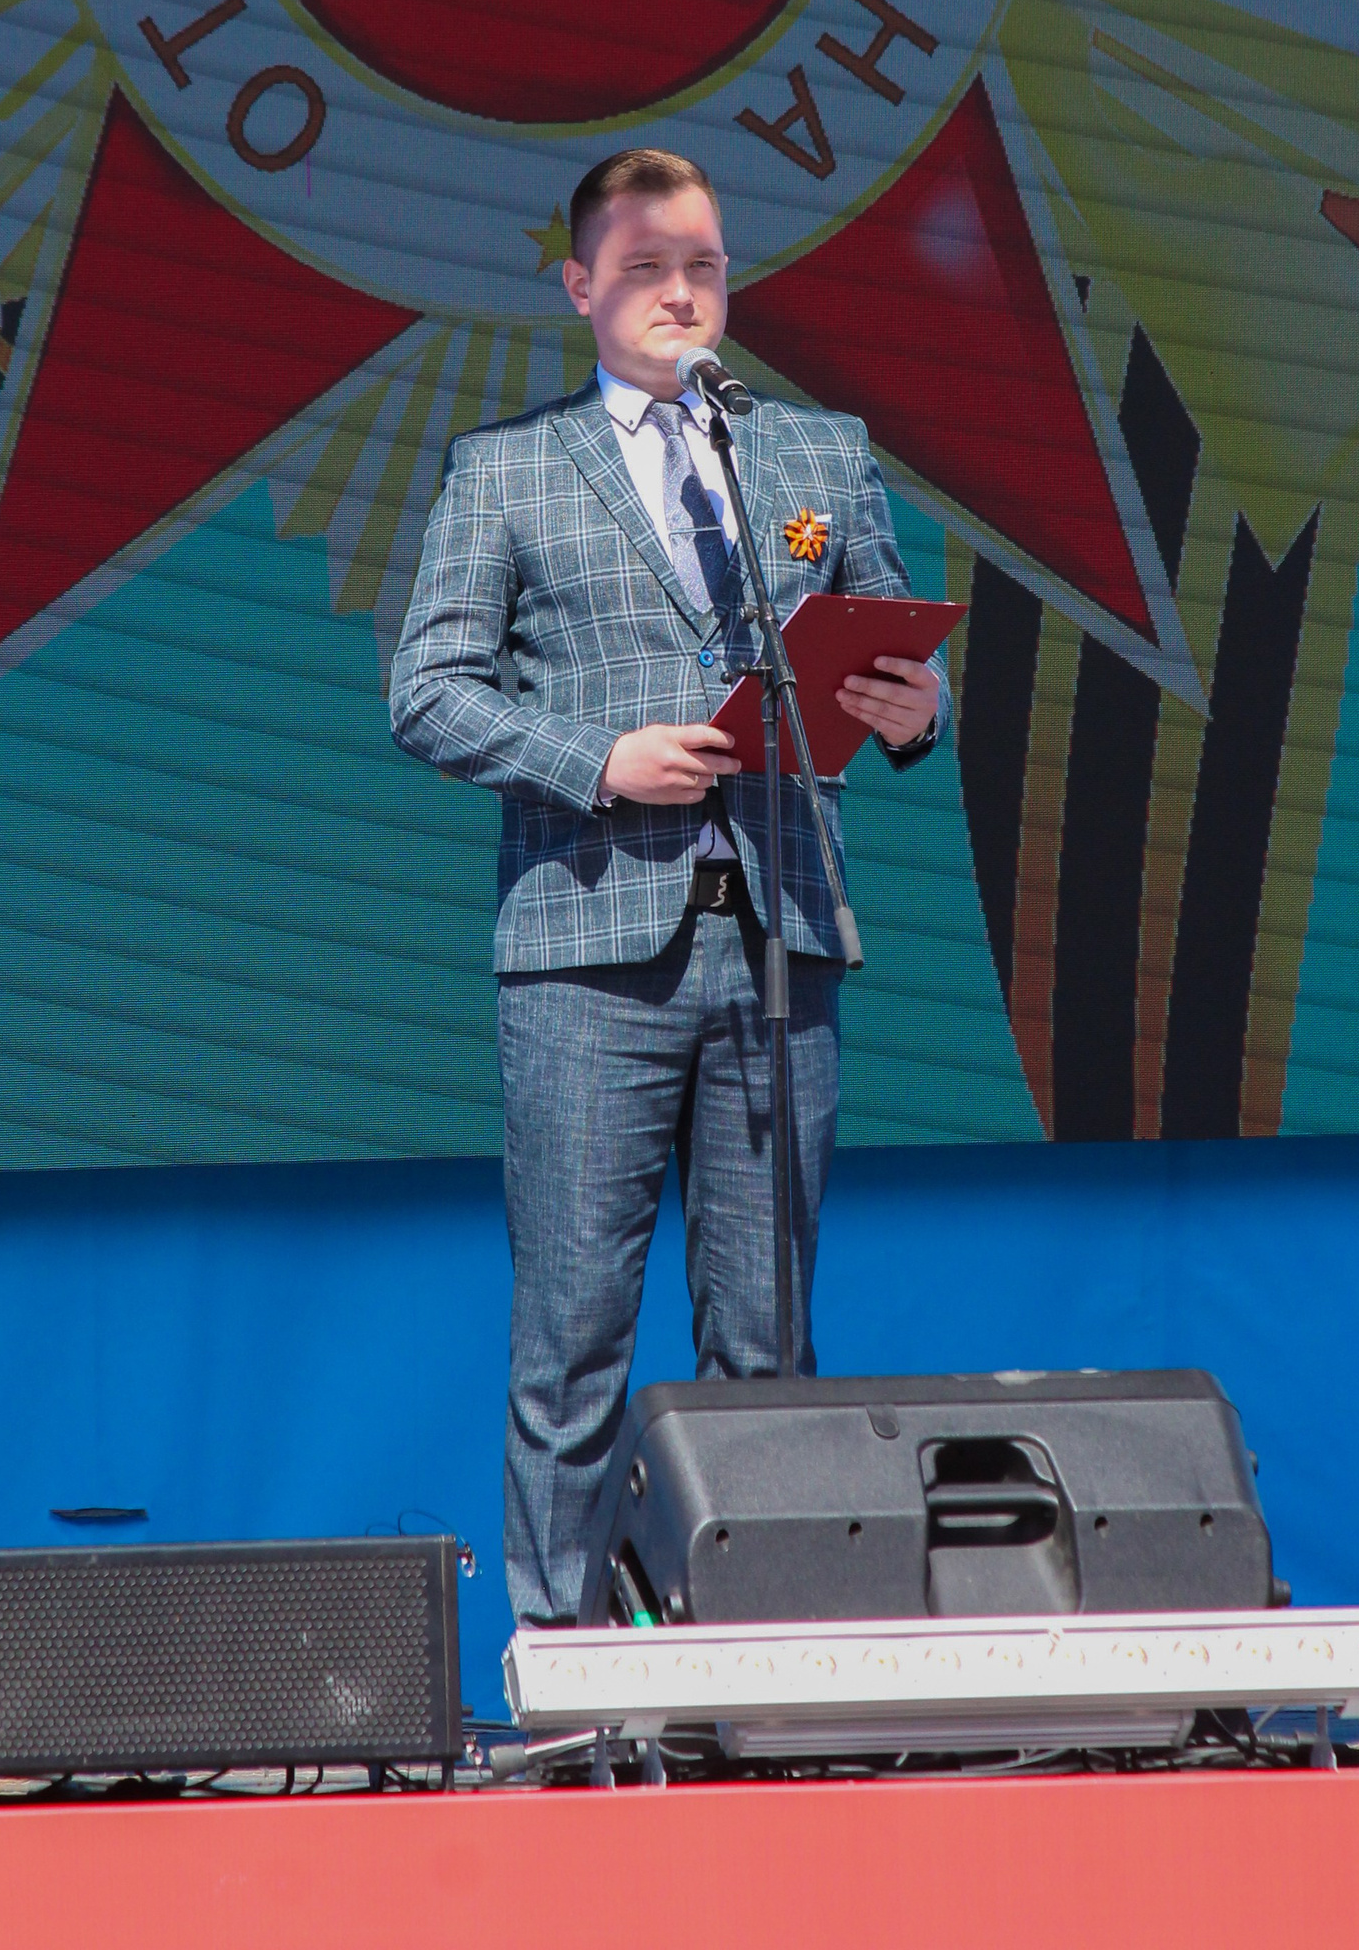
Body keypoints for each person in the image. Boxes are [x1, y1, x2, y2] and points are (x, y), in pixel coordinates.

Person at [389, 147, 950, 1625]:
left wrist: (916, 707)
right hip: (591, 956)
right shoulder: (509, 468)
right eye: (644, 267)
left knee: (767, 1338)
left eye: (700, 265)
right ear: (580, 285)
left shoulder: (813, 453)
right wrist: (598, 759)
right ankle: (565, 1662)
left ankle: (765, 1653)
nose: (678, 292)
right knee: (574, 1340)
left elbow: (894, 639)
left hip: (779, 936)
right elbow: (428, 694)